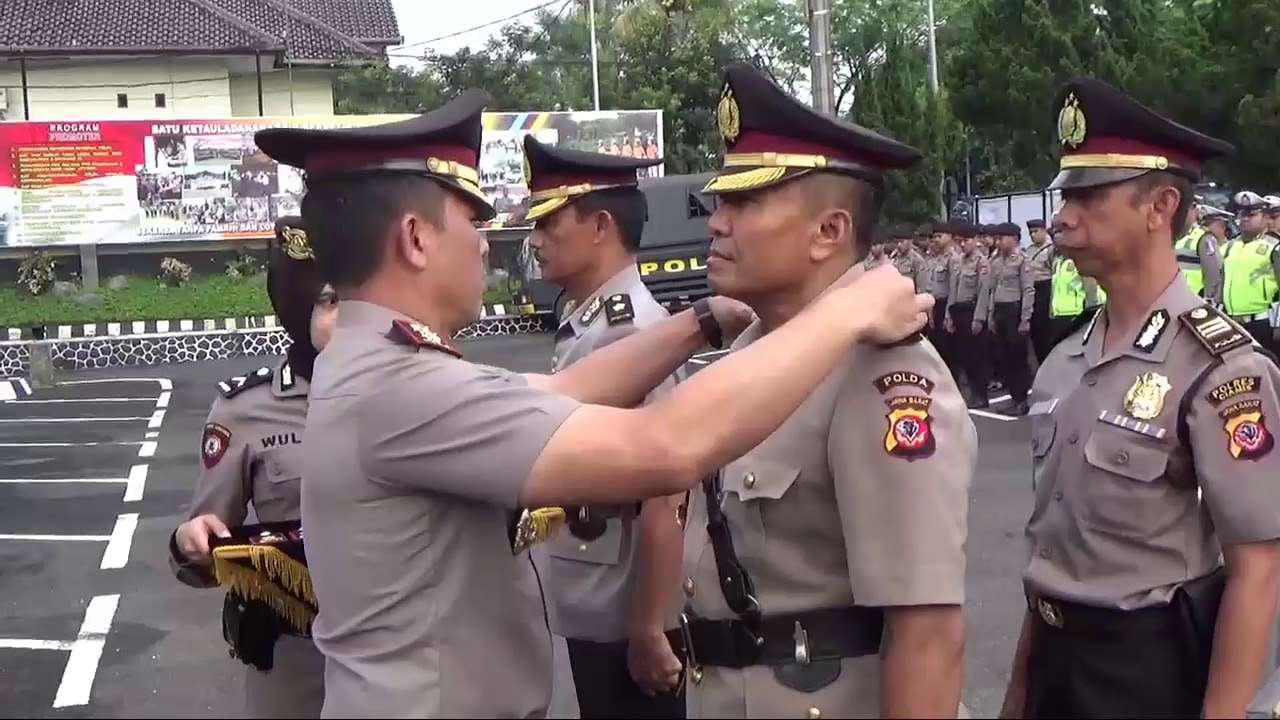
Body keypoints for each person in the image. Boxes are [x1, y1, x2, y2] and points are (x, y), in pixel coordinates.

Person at [252, 89, 933, 718]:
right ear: (415, 239)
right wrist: (848, 312)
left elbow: (560, 393)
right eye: (471, 219)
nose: (488, 240)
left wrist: (699, 321)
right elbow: (666, 449)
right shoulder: (400, 387)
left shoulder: (379, 367)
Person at [680, 61, 974, 719]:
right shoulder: (756, 350)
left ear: (830, 232)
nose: (716, 222)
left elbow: (928, 635)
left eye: (744, 203)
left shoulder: (883, 377)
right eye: (721, 201)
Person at [999, 76, 1280, 719]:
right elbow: (1052, 556)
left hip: (1144, 670)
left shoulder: (1220, 368)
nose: (1062, 216)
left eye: (1090, 196)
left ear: (1160, 206)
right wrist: (1018, 697)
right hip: (1052, 656)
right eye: (1065, 193)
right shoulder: (1066, 359)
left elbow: (1258, 567)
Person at [521, 134, 687, 719]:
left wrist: (648, 626)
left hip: (624, 612)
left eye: (549, 222)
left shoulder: (627, 333)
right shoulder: (590, 324)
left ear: (601, 227)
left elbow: (665, 491)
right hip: (599, 601)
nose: (535, 241)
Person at [168, 217, 336, 718]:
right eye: (330, 301)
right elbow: (204, 542)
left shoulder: (413, 391)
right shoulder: (245, 410)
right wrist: (190, 543)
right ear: (295, 306)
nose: (350, 317)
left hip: (405, 650)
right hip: (299, 662)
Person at [1222, 191, 1280, 356]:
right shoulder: (1231, 245)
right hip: (1232, 321)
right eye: (1243, 214)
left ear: (1266, 218)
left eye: (1252, 214)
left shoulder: (1274, 246)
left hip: (1262, 323)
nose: (1245, 219)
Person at [988, 222, 1035, 415]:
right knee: (1004, 356)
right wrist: (991, 314)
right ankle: (1013, 397)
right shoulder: (996, 260)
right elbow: (992, 289)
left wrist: (1026, 317)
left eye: (1002, 238)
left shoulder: (1022, 260)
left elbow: (1028, 289)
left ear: (1014, 239)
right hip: (1000, 310)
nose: (998, 242)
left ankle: (1021, 399)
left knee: (1017, 358)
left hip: (1014, 310)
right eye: (997, 238)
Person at [946, 221, 993, 408]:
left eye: (965, 240)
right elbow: (953, 289)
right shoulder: (959, 261)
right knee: (964, 355)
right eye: (959, 241)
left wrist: (979, 317)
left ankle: (981, 395)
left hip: (972, 312)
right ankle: (972, 393)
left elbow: (983, 291)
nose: (962, 244)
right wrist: (949, 315)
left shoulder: (982, 262)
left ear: (975, 240)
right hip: (959, 311)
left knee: (977, 357)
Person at [1174, 201, 1225, 306]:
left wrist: (1209, 299)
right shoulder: (1177, 235)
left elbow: (1212, 272)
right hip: (1177, 298)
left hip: (1196, 301)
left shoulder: (1204, 237)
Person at [1026, 219, 1057, 363]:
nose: (1033, 235)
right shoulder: (1029, 250)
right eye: (1031, 232)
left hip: (1046, 288)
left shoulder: (1051, 248)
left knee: (1045, 330)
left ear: (1044, 230)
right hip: (1032, 289)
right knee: (1035, 331)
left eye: (1036, 231)